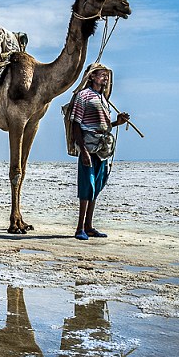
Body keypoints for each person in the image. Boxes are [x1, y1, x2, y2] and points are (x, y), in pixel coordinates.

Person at [70, 63, 129, 240]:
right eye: (102, 75)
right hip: (89, 146)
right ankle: (79, 227)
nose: (105, 78)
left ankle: (89, 226)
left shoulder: (103, 99)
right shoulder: (83, 96)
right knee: (87, 187)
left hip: (102, 148)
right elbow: (76, 124)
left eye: (107, 75)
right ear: (92, 77)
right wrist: (84, 151)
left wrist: (118, 122)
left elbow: (104, 126)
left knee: (96, 187)